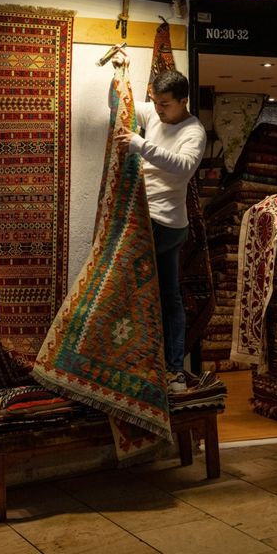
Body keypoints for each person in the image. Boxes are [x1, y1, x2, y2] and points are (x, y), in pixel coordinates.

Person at [110, 54, 206, 394]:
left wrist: (141, 145)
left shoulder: (194, 131)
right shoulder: (155, 112)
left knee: (130, 289)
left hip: (164, 223)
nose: (158, 109)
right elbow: (124, 102)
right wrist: (119, 72)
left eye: (165, 104)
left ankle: (160, 367)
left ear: (183, 101)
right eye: (155, 102)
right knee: (167, 296)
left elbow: (182, 167)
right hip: (151, 218)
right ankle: (169, 369)